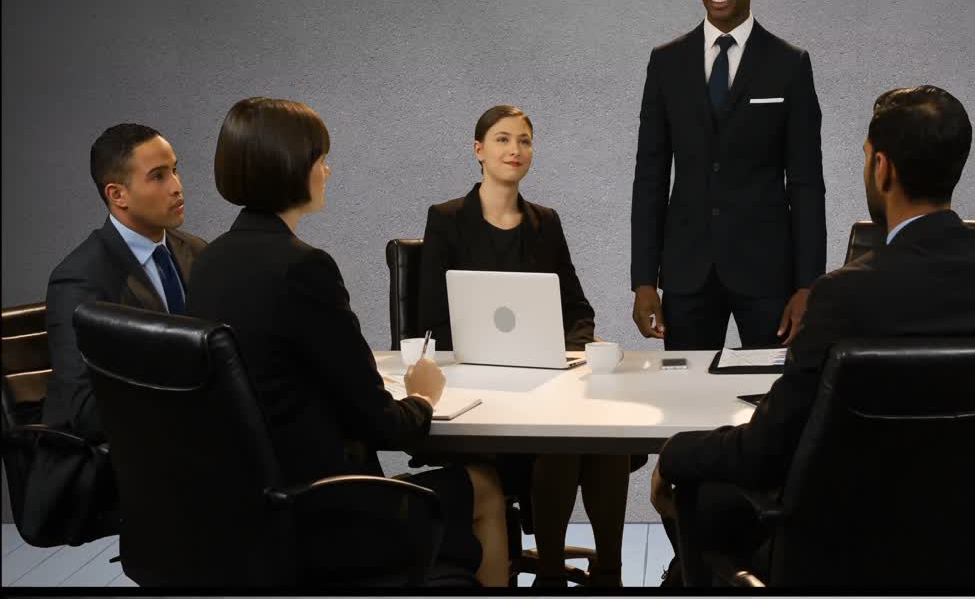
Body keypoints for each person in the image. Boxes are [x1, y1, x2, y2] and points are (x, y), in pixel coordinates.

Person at [651, 86, 975, 583]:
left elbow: (764, 453)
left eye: (866, 157)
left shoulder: (843, 295)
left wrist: (675, 452)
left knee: (704, 499)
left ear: (882, 168)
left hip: (851, 560)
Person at [185, 98, 507, 586]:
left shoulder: (208, 263)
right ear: (293, 168)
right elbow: (385, 427)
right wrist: (422, 395)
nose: (329, 171)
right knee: (484, 486)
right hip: (325, 512)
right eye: (322, 159)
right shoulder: (304, 268)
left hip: (245, 515)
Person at [416, 105, 631, 587]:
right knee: (562, 440)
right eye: (502, 139)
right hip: (479, 390)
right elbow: (432, 317)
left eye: (525, 141)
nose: (515, 149)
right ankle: (551, 573)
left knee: (606, 435)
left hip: (548, 380)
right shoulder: (447, 219)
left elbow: (577, 308)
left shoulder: (544, 222)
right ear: (479, 150)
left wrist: (573, 351)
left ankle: (611, 573)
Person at [630, 0, 826, 352]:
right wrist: (644, 279)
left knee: (772, 401)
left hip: (768, 274)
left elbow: (807, 183)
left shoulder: (789, 65)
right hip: (686, 272)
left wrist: (807, 285)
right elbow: (650, 176)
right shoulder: (666, 63)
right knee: (685, 406)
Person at [29, 123, 206, 545]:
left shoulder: (196, 252)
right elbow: (89, 412)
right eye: (158, 176)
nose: (177, 187)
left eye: (176, 170)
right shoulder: (80, 280)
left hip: (190, 443)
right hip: (113, 462)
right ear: (118, 195)